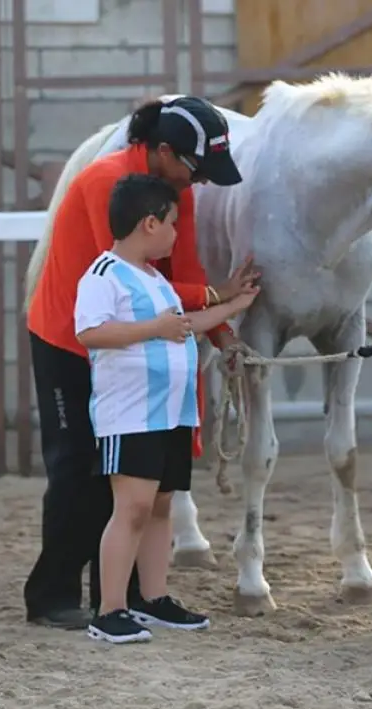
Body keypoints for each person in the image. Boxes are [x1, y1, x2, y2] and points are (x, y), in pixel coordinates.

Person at [24, 95, 261, 629]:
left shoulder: (176, 191)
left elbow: (185, 268)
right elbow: (125, 286)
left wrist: (222, 327)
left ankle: (127, 595)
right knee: (76, 468)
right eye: (195, 168)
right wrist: (215, 296)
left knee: (137, 472)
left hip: (136, 343)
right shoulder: (103, 184)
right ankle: (53, 594)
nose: (199, 182)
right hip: (71, 338)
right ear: (161, 151)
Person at [74, 174, 258, 643]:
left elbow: (185, 324)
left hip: (172, 412)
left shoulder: (156, 279)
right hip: (130, 414)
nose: (179, 233)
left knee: (161, 507)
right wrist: (154, 329)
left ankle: (153, 599)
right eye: (173, 223)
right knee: (131, 508)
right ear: (150, 224)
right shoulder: (103, 274)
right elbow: (90, 333)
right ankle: (109, 608)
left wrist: (237, 305)